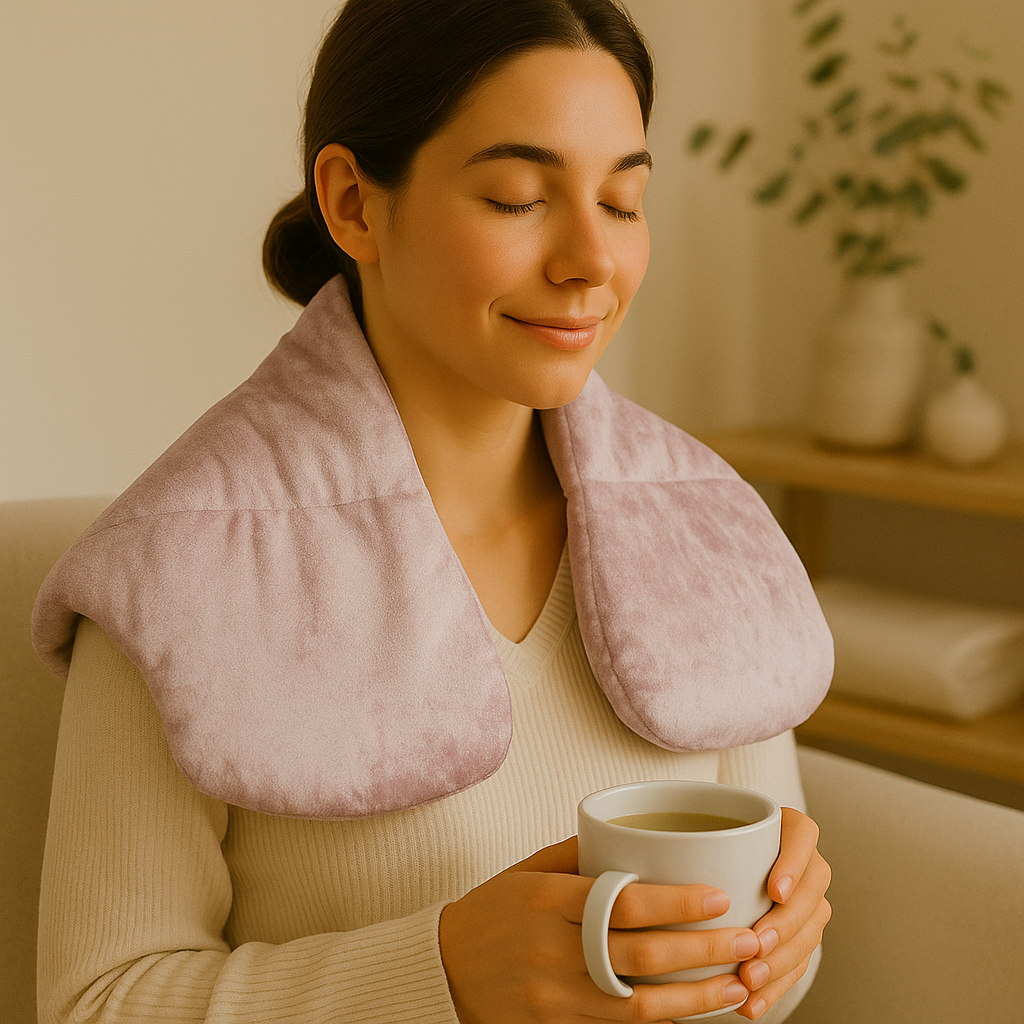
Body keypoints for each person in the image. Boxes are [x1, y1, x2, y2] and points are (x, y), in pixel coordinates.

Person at [32, 1, 833, 1022]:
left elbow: (759, 969)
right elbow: (97, 1001)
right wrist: (440, 974)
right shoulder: (180, 577)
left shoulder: (705, 533)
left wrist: (778, 940)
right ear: (354, 204)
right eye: (515, 198)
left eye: (624, 201)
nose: (591, 259)